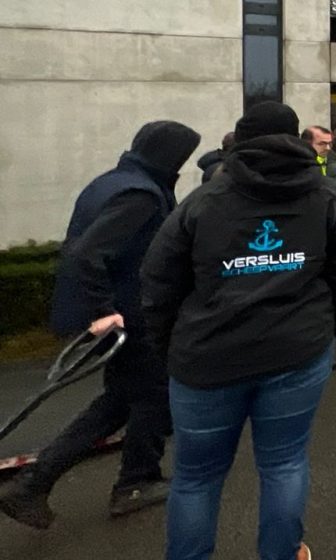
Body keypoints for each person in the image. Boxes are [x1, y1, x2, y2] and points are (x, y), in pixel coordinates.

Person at [141, 101, 336, 560]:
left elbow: (159, 282)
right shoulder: (326, 196)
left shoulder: (203, 202)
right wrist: (331, 329)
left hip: (206, 359)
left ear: (239, 140)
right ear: (297, 138)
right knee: (284, 464)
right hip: (297, 352)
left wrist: (170, 347)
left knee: (197, 477)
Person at [0, 121, 199, 530]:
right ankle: (135, 483)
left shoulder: (113, 181)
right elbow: (87, 253)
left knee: (118, 403)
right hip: (132, 317)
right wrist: (102, 310)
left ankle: (32, 484)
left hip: (127, 313)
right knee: (152, 397)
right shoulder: (141, 195)